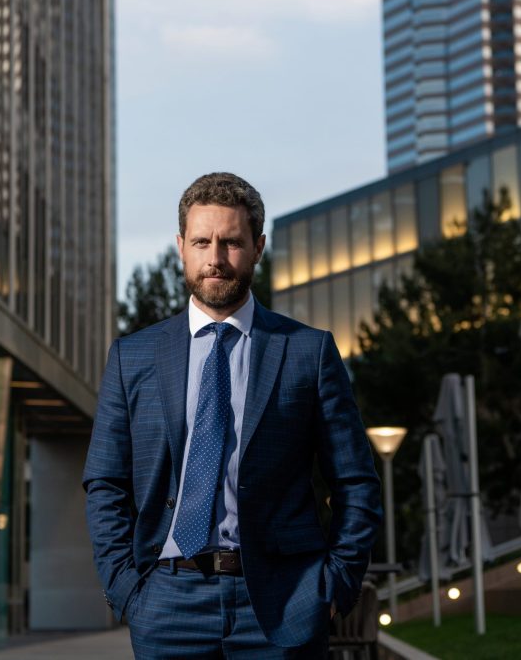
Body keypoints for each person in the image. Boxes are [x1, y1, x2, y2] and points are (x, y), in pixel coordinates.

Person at [84, 172, 381, 658]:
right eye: (202, 241)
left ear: (258, 246)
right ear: (181, 246)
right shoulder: (131, 357)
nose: (216, 259)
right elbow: (105, 482)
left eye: (232, 243)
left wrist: (331, 589)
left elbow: (356, 482)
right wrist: (128, 591)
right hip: (166, 604)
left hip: (284, 603)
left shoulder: (309, 352)